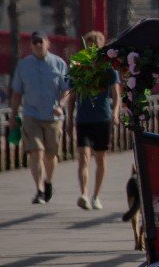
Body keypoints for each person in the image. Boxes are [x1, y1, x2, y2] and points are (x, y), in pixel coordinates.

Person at [10, 31, 70, 204]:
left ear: (47, 43)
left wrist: (61, 105)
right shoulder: (23, 66)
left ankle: (48, 182)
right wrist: (13, 115)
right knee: (36, 152)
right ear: (30, 45)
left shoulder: (59, 63)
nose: (37, 45)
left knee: (51, 155)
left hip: (53, 116)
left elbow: (66, 89)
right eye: (34, 42)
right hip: (31, 115)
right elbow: (16, 93)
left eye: (40, 42)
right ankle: (39, 190)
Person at [69, 30, 119, 210]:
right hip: (83, 119)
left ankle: (96, 195)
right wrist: (69, 120)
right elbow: (72, 96)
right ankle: (83, 194)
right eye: (89, 46)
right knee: (83, 157)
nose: (92, 49)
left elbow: (116, 94)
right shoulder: (79, 67)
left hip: (102, 118)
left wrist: (115, 113)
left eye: (96, 46)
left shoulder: (108, 68)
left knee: (100, 157)